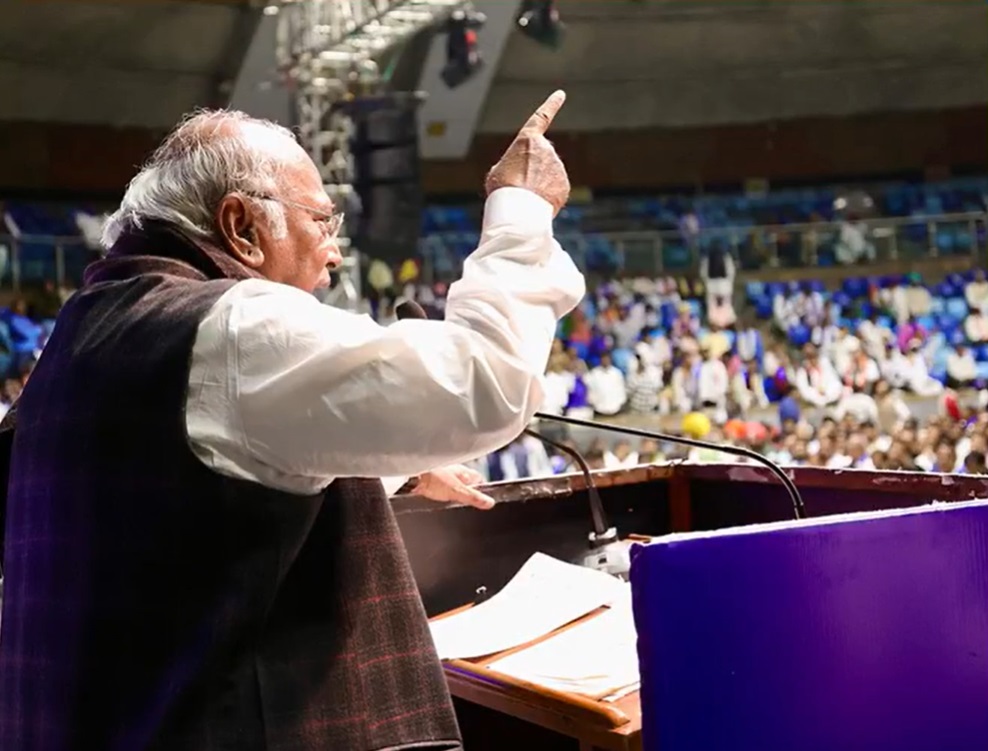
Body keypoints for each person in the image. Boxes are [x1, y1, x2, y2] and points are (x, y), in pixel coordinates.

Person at [0, 92, 584, 751]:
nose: (334, 254)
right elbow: (487, 383)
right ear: (242, 226)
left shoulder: (90, 331)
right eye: (321, 222)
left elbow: (195, 494)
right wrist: (520, 209)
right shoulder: (233, 325)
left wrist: (397, 473)